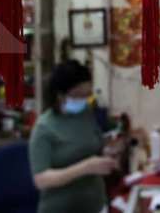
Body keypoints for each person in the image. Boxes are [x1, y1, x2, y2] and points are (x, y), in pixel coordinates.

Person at [29, 60, 117, 213]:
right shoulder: (44, 128)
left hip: (95, 204)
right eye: (78, 95)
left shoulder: (87, 113)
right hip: (61, 208)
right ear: (60, 95)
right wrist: (85, 168)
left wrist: (110, 149)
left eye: (87, 95)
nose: (84, 100)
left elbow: (95, 144)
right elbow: (41, 180)